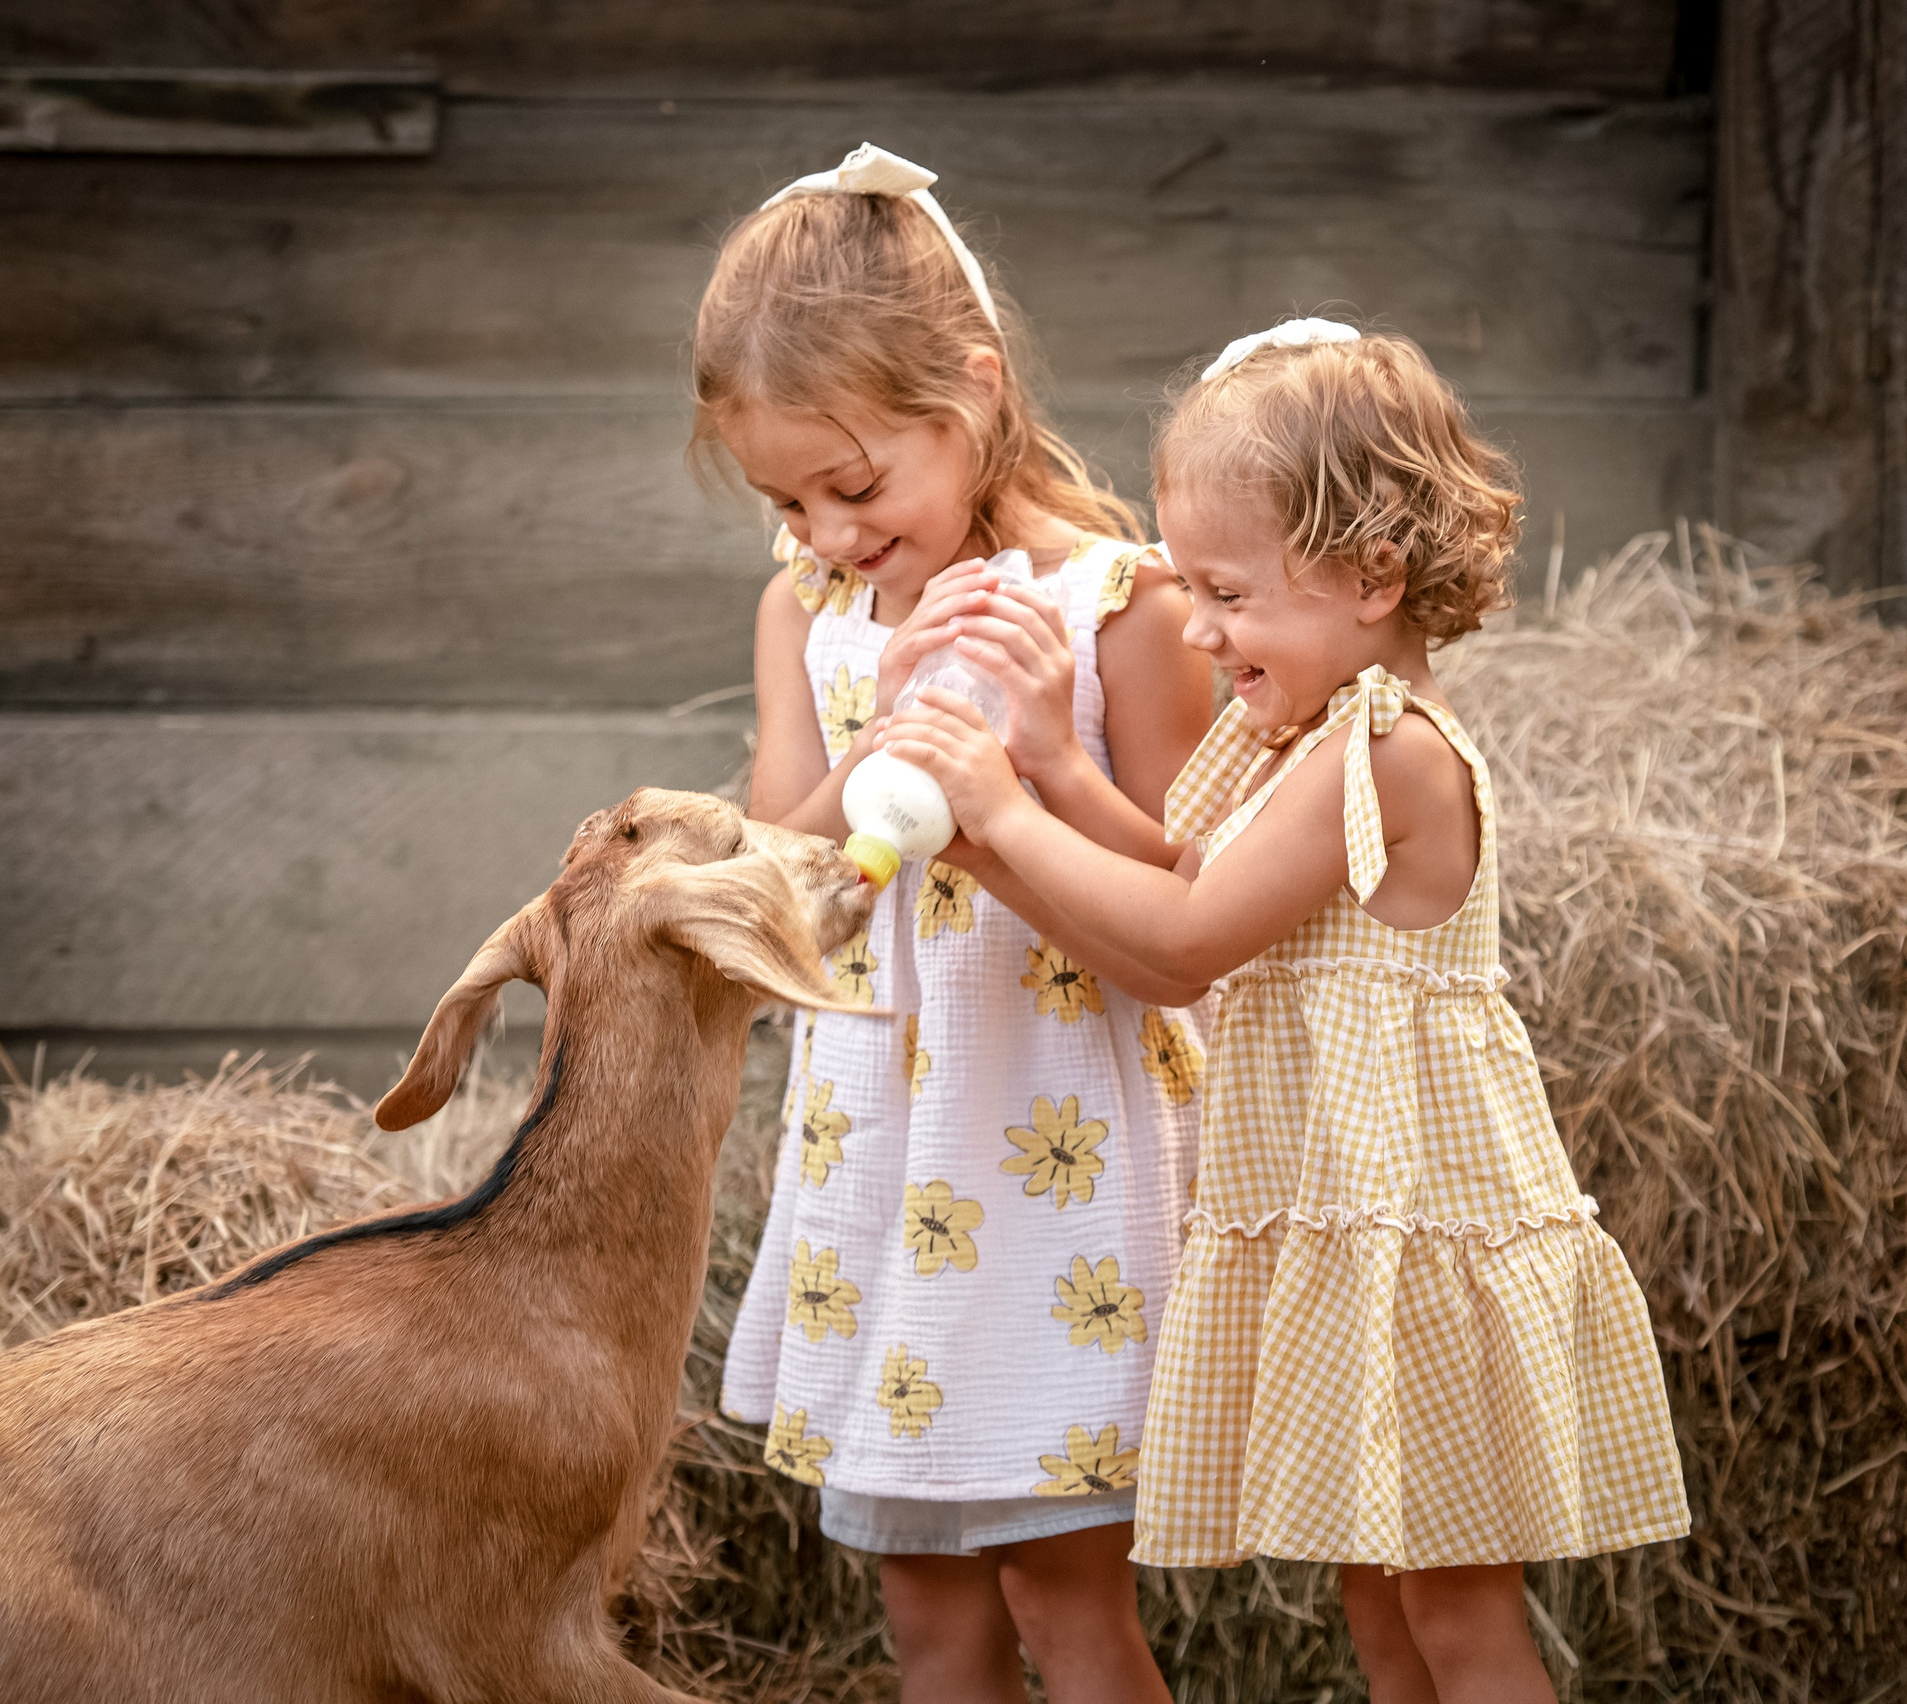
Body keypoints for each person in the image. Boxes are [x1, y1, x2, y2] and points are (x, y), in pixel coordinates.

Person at [880, 317, 1691, 1704]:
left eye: (1229, 595)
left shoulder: (1384, 748)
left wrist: (1012, 811)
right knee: (1382, 1613)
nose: (1197, 630)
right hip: (1351, 1224)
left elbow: (1185, 946)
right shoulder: (1303, 736)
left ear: (1371, 576)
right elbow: (1187, 880)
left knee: (1456, 1621)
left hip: (1418, 1237)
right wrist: (1031, 805)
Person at [698, 144, 1215, 1704]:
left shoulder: (1118, 607)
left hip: (1054, 1167)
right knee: (926, 1618)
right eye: (786, 498)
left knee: (1069, 1603)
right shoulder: (811, 610)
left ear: (974, 396)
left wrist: (1032, 786)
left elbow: (1192, 901)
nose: (828, 532)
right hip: (882, 1161)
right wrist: (866, 769)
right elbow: (780, 873)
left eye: (855, 486)